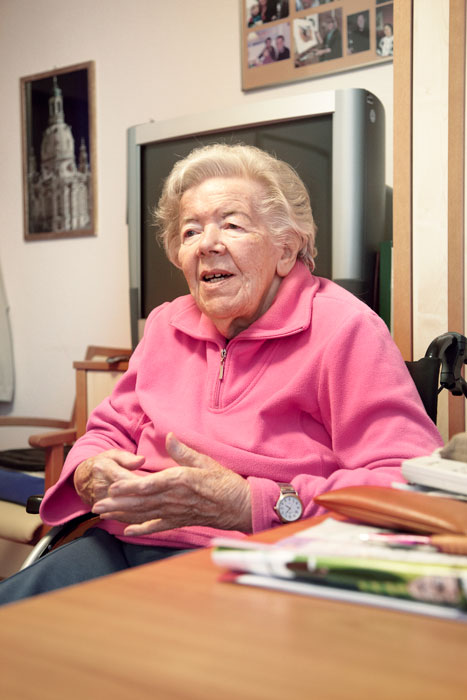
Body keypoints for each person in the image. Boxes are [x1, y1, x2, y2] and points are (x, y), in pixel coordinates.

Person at [0, 143, 442, 604]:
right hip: (121, 548)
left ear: (286, 249)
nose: (207, 244)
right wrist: (90, 470)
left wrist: (251, 504)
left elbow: (407, 487)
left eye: (232, 225)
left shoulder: (345, 330)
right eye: (191, 231)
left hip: (264, 564)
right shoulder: (165, 324)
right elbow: (109, 430)